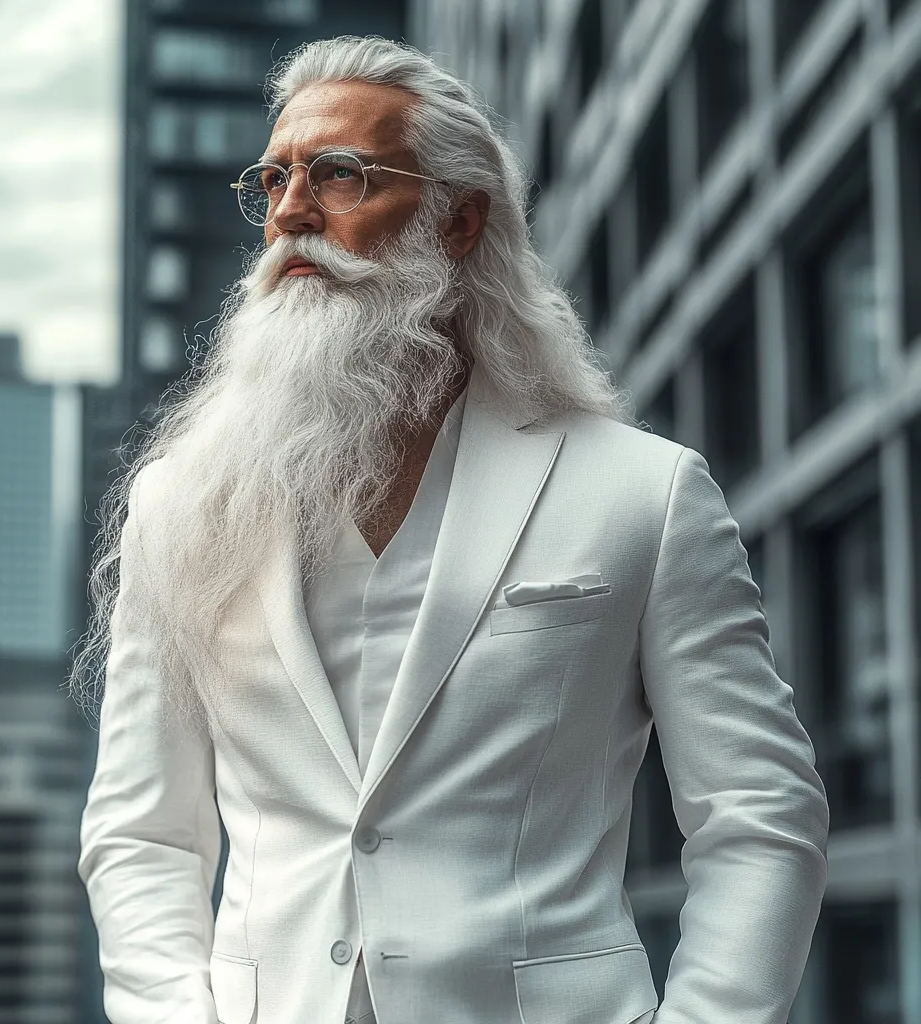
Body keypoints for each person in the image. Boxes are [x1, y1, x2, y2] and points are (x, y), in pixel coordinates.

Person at [71, 35, 829, 1024]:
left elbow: (761, 817)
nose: (293, 214)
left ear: (459, 220)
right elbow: (144, 834)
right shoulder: (182, 502)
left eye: (340, 175)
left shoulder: (643, 491)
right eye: (274, 179)